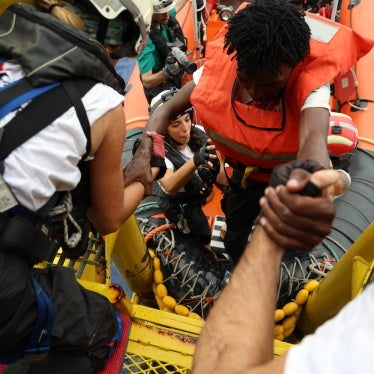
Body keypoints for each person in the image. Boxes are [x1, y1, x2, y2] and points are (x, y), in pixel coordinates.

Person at [125, 0, 374, 265]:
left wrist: (314, 180)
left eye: (270, 84)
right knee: (234, 238)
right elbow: (166, 110)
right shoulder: (222, 68)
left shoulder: (312, 89)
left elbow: (313, 139)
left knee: (291, 249)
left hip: (284, 182)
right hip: (242, 180)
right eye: (246, 80)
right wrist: (145, 152)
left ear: (294, 67)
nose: (255, 91)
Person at [0, 0, 159, 372]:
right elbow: (107, 218)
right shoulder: (102, 103)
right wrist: (144, 180)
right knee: (103, 326)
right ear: (117, 35)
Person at [191, 168, 368, 374]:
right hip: (249, 205)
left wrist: (272, 230)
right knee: (235, 241)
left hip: (275, 243)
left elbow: (217, 367)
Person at [148, 88, 220, 245]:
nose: (185, 129)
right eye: (176, 124)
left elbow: (221, 175)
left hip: (198, 190)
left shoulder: (199, 132)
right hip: (180, 202)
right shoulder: (159, 153)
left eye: (187, 119)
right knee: (201, 235)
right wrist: (195, 160)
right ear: (163, 128)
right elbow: (170, 186)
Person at [137, 0, 187, 104]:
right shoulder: (146, 41)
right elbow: (146, 80)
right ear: (150, 12)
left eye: (168, 10)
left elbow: (177, 5)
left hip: (175, 79)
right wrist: (167, 72)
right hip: (160, 88)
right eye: (162, 12)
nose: (167, 15)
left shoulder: (164, 16)